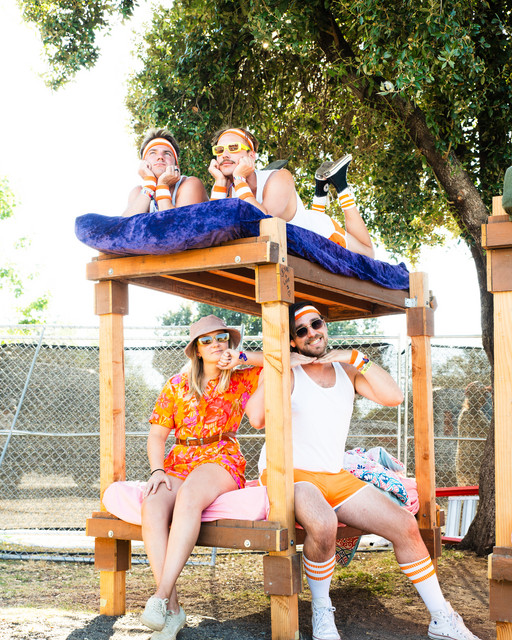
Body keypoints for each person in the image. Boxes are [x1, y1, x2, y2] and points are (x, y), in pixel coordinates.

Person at [246, 302, 481, 640]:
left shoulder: (347, 370)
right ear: (293, 340)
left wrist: (355, 357)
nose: (312, 333)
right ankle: (322, 611)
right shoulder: (287, 371)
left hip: (333, 473)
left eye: (316, 324)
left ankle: (442, 619)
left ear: (325, 326)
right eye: (301, 330)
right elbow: (256, 418)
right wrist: (278, 366)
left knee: (405, 524)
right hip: (289, 473)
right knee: (323, 523)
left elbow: (394, 396)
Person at [140, 315, 263, 640]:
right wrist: (157, 470)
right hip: (180, 459)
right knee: (152, 505)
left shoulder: (243, 376)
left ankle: (160, 596)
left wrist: (242, 357)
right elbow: (156, 436)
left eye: (222, 337)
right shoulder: (176, 384)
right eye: (206, 340)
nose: (216, 344)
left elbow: (282, 361)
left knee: (190, 495)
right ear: (196, 349)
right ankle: (173, 610)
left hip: (221, 456)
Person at [207, 127, 375, 258]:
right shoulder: (226, 190)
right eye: (219, 150)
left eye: (233, 148)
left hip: (322, 232)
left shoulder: (280, 177)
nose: (225, 154)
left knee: (368, 254)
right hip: (298, 231)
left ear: (251, 155)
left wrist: (239, 179)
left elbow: (263, 222)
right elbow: (211, 228)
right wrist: (220, 183)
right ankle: (320, 187)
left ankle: (340, 185)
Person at [124, 128, 208, 216]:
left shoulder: (190, 184)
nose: (160, 157)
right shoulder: (138, 192)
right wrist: (148, 187)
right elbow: (125, 224)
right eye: (153, 153)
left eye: (167, 153)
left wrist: (163, 186)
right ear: (143, 164)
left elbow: (178, 224)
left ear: (176, 166)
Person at [456, 381, 491, 486]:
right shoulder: (471, 413)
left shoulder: (472, 413)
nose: (486, 398)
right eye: (483, 395)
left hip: (472, 461)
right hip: (473, 462)